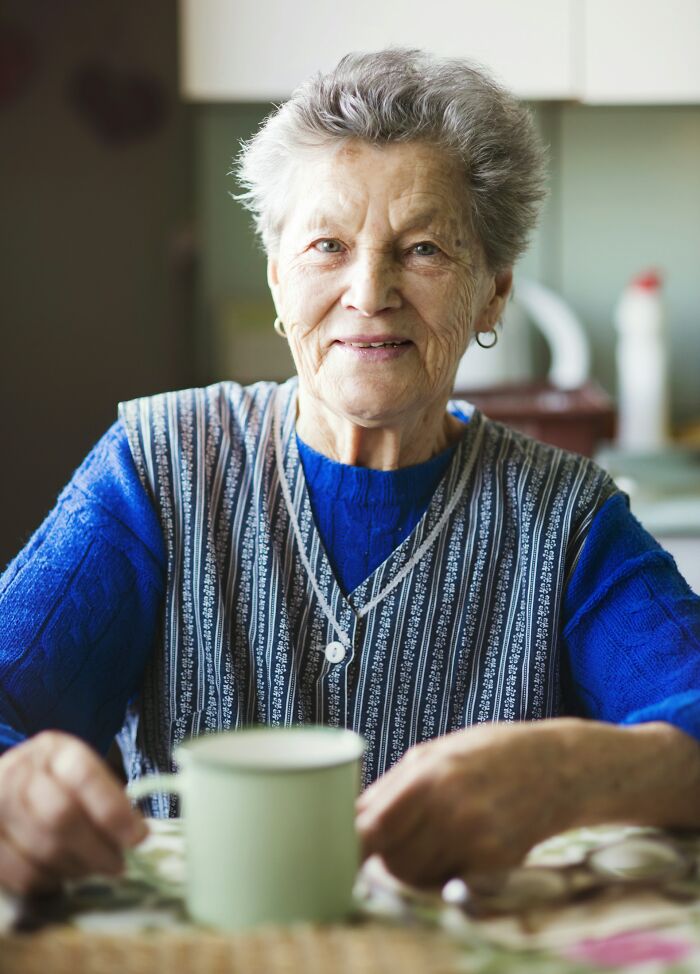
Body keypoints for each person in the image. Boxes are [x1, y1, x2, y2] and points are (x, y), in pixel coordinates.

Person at [1, 48, 699, 896]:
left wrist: (570, 772)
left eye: (425, 250)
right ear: (277, 277)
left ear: (492, 293)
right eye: (327, 245)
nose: (369, 292)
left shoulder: (567, 517)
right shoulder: (157, 470)